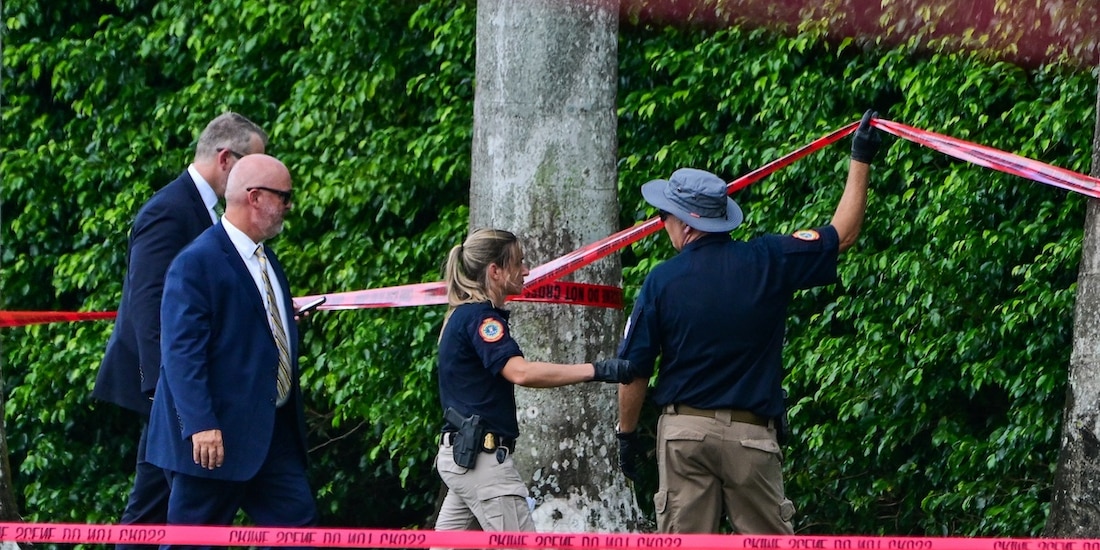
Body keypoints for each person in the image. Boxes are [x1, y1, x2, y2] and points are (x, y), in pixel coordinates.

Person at [614, 110, 882, 534]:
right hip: (752, 436)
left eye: (664, 215)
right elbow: (843, 233)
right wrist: (861, 155)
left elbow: (634, 369)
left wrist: (626, 434)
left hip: (685, 434)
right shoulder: (769, 260)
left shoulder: (660, 281)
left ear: (685, 223)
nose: (662, 223)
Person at [93, 112, 267, 544]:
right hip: (168, 387)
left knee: (155, 505)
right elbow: (148, 308)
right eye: (250, 169)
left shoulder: (208, 212)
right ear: (226, 160)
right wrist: (163, 394)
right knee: (157, 505)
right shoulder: (169, 211)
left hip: (187, 386)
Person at [146, 154, 316, 546]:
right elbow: (181, 353)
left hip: (271, 432)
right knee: (193, 542)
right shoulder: (196, 262)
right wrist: (201, 424)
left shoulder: (267, 260)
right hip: (213, 436)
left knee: (302, 532)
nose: (289, 206)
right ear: (254, 197)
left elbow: (247, 329)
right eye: (284, 197)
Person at [433, 228, 639, 532]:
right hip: (481, 462)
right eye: (518, 262)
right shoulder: (482, 319)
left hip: (463, 458)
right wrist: (596, 370)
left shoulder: (462, 316)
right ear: (495, 271)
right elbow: (521, 372)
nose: (526, 270)